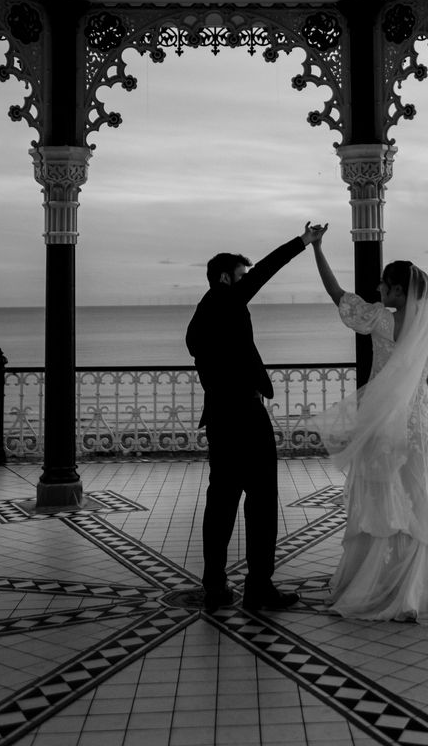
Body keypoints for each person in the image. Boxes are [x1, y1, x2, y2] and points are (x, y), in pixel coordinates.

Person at [310, 227, 428, 623]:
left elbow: (337, 295)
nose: (378, 289)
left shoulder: (380, 319)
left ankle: (383, 585)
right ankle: (418, 590)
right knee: (424, 502)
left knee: (385, 503)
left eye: (383, 285)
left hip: (385, 426)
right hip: (420, 424)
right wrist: (418, 408)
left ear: (396, 290)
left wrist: (318, 249)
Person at [186, 222, 325, 613]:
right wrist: (303, 242)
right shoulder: (223, 301)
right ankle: (258, 587)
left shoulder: (200, 319)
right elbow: (266, 270)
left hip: (219, 418)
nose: (247, 283)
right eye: (241, 277)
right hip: (244, 416)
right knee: (262, 501)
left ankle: (215, 585)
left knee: (222, 501)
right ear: (226, 278)